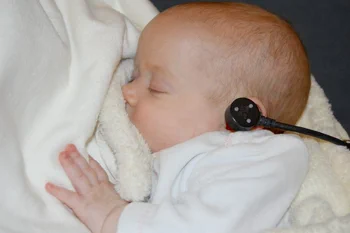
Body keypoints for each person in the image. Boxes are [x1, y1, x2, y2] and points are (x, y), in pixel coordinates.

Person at [45, 2, 311, 233]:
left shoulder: (265, 158)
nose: (127, 91)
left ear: (243, 118)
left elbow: (209, 227)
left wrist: (112, 216)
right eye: (135, 76)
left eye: (156, 87)